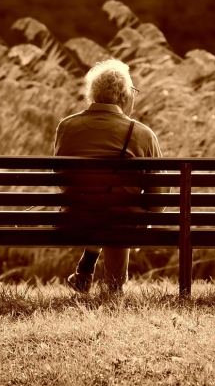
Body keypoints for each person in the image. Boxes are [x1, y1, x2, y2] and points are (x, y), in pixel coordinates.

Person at [54, 58, 168, 293]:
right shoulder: (142, 134)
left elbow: (61, 178)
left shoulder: (66, 126)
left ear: (92, 94)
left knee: (105, 208)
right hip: (123, 222)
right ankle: (114, 286)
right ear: (124, 96)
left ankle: (86, 271)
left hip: (75, 219)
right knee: (121, 210)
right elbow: (158, 200)